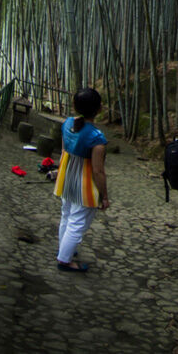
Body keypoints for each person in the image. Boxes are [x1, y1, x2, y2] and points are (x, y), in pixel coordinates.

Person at [53, 87, 109, 273]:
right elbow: (98, 171)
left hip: (66, 174)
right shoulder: (96, 137)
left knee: (67, 215)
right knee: (77, 222)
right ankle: (65, 260)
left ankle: (65, 250)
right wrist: (104, 195)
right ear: (98, 109)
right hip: (83, 182)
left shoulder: (67, 123)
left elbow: (64, 150)